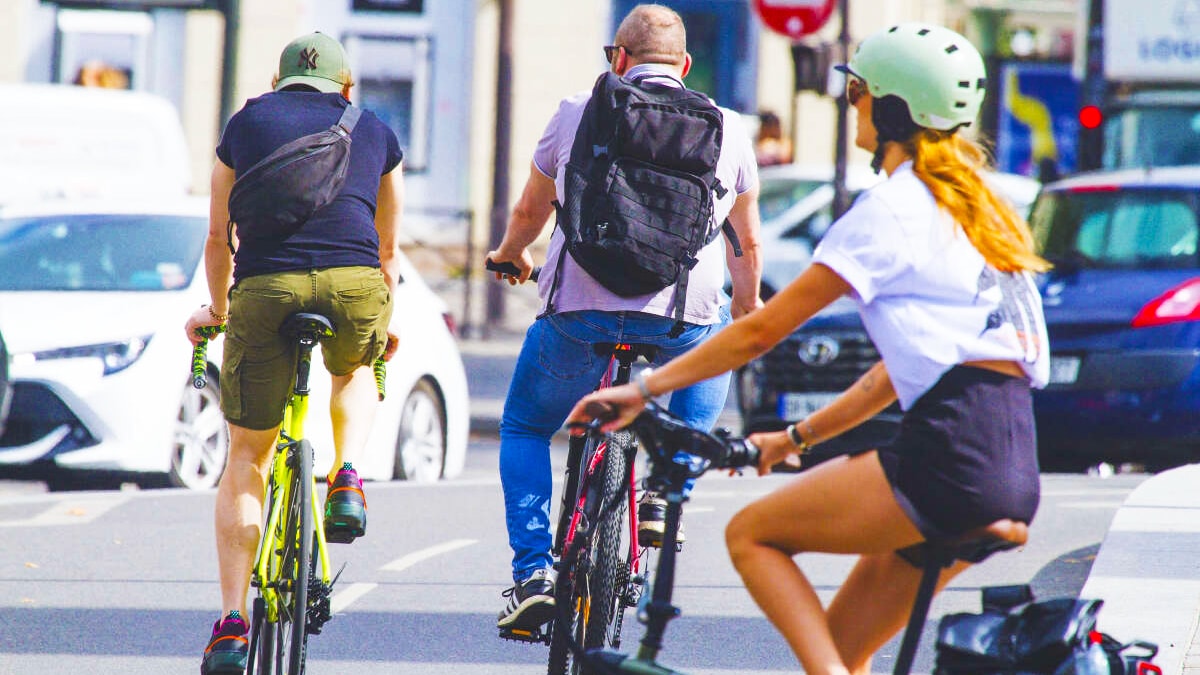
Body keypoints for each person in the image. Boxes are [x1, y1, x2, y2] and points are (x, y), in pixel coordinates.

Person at [568, 22, 1050, 675]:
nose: (850, 106)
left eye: (856, 94)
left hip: (947, 455)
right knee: (846, 650)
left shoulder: (894, 209)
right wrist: (791, 437)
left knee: (752, 535)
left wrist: (643, 388)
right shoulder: (986, 212)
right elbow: (888, 377)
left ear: (890, 107)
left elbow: (763, 329)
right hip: (1012, 468)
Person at [486, 3, 762, 633]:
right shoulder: (728, 126)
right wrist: (746, 313)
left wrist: (509, 256)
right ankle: (668, 489)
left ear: (619, 58)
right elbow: (744, 239)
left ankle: (533, 574)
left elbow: (531, 211)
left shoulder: (575, 112)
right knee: (710, 338)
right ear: (685, 66)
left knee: (526, 428)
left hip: (578, 313)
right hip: (678, 319)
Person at [184, 32, 403, 675]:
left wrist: (217, 314)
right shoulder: (374, 129)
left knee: (247, 455)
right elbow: (386, 251)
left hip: (265, 286)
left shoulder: (243, 125)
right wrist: (380, 319)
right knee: (355, 367)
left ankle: (230, 626)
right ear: (345, 85)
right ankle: (349, 477)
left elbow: (218, 239)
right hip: (354, 285)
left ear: (277, 83)